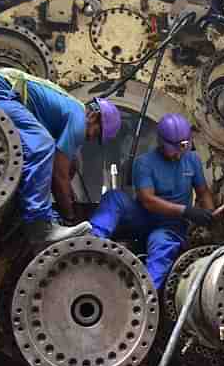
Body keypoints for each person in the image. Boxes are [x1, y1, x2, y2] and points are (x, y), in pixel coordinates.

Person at [0, 68, 122, 243]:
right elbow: (58, 174)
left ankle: (34, 213)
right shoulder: (78, 120)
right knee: (42, 145)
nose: (91, 138)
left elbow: (63, 170)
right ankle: (41, 226)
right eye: (97, 133)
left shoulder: (70, 110)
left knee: (66, 160)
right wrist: (69, 216)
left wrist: (67, 192)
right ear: (94, 116)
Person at [89, 113, 216, 289]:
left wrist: (210, 217)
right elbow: (147, 200)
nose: (179, 155)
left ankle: (145, 297)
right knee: (114, 197)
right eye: (174, 149)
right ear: (160, 141)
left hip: (171, 227)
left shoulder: (192, 160)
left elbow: (203, 193)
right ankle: (90, 243)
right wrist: (186, 211)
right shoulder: (144, 163)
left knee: (160, 242)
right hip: (143, 217)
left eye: (183, 147)